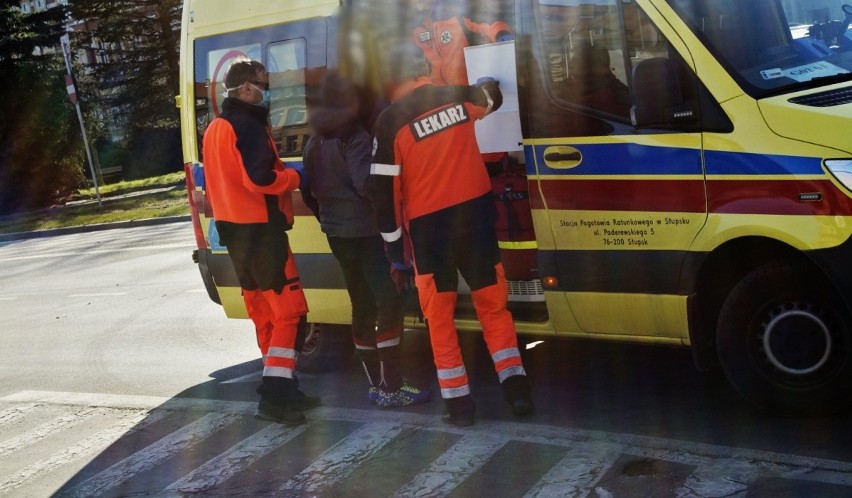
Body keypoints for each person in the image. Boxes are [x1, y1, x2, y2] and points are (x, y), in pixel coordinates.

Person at [370, 45, 534, 426]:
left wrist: (394, 247)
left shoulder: (390, 121)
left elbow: (383, 194)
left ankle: (459, 406)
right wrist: (485, 81)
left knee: (440, 318)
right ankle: (517, 391)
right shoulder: (459, 98)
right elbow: (492, 95)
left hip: (430, 232)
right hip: (476, 217)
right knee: (493, 306)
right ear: (426, 68)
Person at [300, 72, 431, 408]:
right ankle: (392, 387)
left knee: (361, 305)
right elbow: (365, 185)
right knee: (389, 303)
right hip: (367, 234)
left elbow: (307, 190)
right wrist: (390, 208)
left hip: (337, 234)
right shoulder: (355, 137)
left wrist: (327, 218)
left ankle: (376, 385)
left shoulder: (314, 140)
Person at [202, 57, 318, 426]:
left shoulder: (216, 127)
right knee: (290, 313)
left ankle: (284, 386)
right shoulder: (247, 125)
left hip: (236, 236)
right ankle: (274, 397)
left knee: (264, 315)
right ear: (247, 88)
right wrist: (295, 179)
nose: (269, 91)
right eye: (265, 84)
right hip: (262, 232)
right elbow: (261, 178)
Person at [411, 0, 514, 86]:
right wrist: (424, 88)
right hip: (440, 101)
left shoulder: (457, 13)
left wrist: (501, 33)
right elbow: (410, 67)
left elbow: (487, 24)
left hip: (468, 91)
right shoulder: (414, 28)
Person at [565, 42, 630, 116]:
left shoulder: (604, 93)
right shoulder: (581, 87)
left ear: (588, 65)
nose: (570, 63)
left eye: (575, 60)